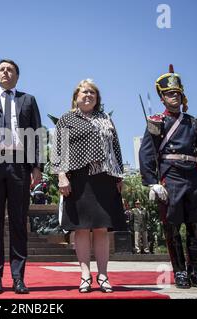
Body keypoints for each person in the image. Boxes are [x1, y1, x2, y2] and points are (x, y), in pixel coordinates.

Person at [139, 65, 197, 289]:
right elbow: (146, 153)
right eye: (169, 94)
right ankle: (180, 272)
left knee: (195, 227)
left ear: (182, 95)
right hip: (170, 177)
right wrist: (152, 182)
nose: (174, 97)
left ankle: (195, 271)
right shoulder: (157, 122)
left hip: (193, 177)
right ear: (162, 98)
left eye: (177, 93)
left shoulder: (193, 122)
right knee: (172, 226)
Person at [0, 59, 43, 294]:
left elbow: (37, 134)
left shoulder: (28, 100)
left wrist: (37, 167)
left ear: (17, 75)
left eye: (10, 69)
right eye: (2, 69)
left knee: (18, 223)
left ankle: (18, 278)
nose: (6, 72)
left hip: (19, 166)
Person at [52, 79, 126, 293]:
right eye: (84, 92)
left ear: (97, 98)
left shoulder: (106, 118)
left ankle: (103, 275)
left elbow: (116, 148)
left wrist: (119, 176)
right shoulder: (67, 119)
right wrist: (61, 177)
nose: (88, 95)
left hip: (105, 177)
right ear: (76, 97)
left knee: (102, 228)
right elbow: (58, 150)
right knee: (81, 229)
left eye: (92, 93)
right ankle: (85, 274)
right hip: (78, 178)